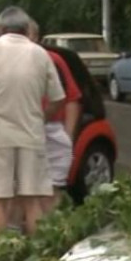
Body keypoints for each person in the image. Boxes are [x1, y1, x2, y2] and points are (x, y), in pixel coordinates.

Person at [0, 6, 65, 235]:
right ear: (27, 29)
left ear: (0, 28)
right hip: (31, 135)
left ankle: (0, 252)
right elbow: (58, 99)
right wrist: (42, 118)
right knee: (32, 200)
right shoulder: (40, 54)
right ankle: (37, 250)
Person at [27, 19, 82, 212]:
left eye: (28, 34)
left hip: (50, 131)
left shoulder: (53, 60)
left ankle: (49, 227)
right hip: (18, 131)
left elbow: (72, 99)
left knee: (50, 191)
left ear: (36, 37)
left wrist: (67, 136)